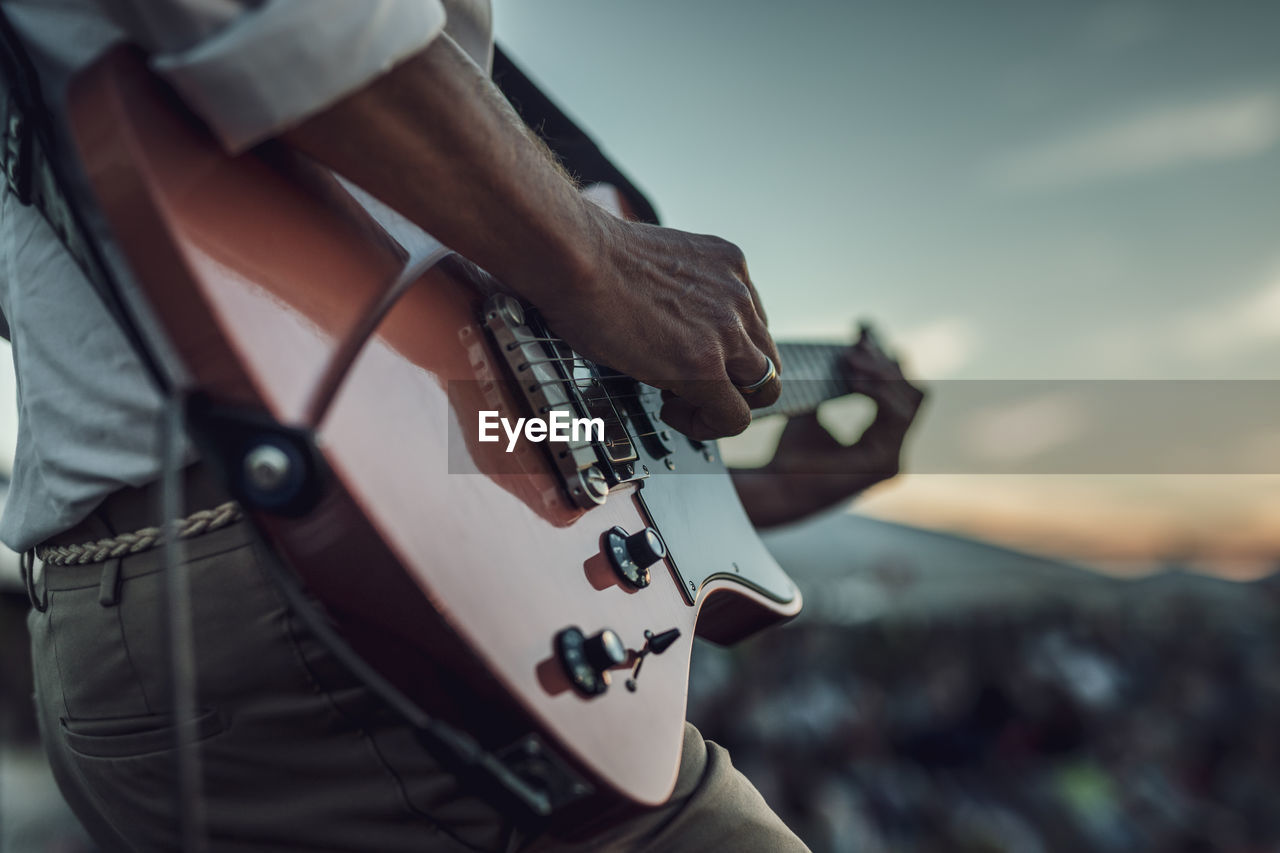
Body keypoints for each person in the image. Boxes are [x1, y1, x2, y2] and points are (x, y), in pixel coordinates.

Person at [1, 1, 920, 850]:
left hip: (229, 586)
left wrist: (769, 493)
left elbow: (512, 464)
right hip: (313, 587)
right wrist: (597, 258)